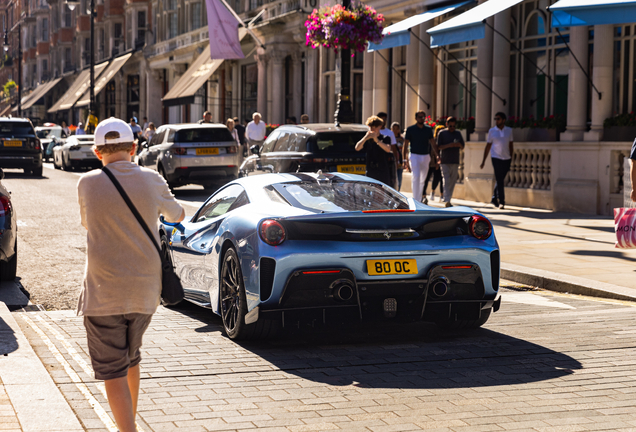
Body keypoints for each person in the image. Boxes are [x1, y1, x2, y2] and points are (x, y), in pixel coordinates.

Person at [77, 117, 185, 432]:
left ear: (98, 152)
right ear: (134, 148)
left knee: (112, 369)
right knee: (131, 357)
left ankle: (128, 429)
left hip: (103, 291)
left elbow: (88, 223)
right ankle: (130, 420)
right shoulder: (152, 180)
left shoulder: (87, 183)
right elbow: (177, 215)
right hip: (145, 292)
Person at [403, 111, 439, 203]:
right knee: (416, 176)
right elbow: (405, 144)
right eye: (419, 117)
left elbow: (433, 143)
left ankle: (419, 197)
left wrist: (437, 156)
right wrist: (404, 159)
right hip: (414, 155)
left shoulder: (428, 129)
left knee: (423, 179)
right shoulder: (410, 129)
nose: (421, 119)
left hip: (425, 156)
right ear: (416, 118)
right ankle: (416, 199)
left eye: (423, 117)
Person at [480, 112, 514, 209]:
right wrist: (483, 161)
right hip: (496, 158)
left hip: (506, 158)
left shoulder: (509, 131)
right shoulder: (492, 131)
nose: (496, 120)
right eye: (495, 119)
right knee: (499, 179)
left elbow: (511, 145)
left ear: (503, 120)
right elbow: (488, 146)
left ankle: (494, 197)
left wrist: (511, 157)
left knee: (500, 179)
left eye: (498, 119)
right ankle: (502, 201)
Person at [355, 115, 394, 186]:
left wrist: (377, 140)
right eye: (371, 127)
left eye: (375, 127)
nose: (373, 130)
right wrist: (365, 138)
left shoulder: (385, 138)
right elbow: (357, 148)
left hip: (383, 171)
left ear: (379, 127)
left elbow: (388, 149)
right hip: (371, 171)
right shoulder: (367, 139)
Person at [437, 116, 465, 207]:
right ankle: (446, 199)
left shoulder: (458, 133)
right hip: (444, 160)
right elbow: (438, 146)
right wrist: (449, 145)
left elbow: (462, 146)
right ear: (446, 125)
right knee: (446, 180)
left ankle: (449, 198)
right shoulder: (442, 133)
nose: (452, 128)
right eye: (450, 126)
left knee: (452, 181)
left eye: (453, 126)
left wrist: (458, 145)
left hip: (455, 160)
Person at [376, 112, 399, 189]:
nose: (383, 121)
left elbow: (393, 148)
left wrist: (396, 161)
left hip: (387, 161)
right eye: (382, 119)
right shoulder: (374, 132)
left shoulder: (390, 133)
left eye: (385, 119)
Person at [391, 122, 404, 191]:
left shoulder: (402, 139)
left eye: (397, 129)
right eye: (394, 129)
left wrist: (405, 160)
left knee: (399, 179)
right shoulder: (389, 138)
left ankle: (398, 192)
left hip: (400, 162)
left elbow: (405, 150)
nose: (395, 130)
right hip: (392, 161)